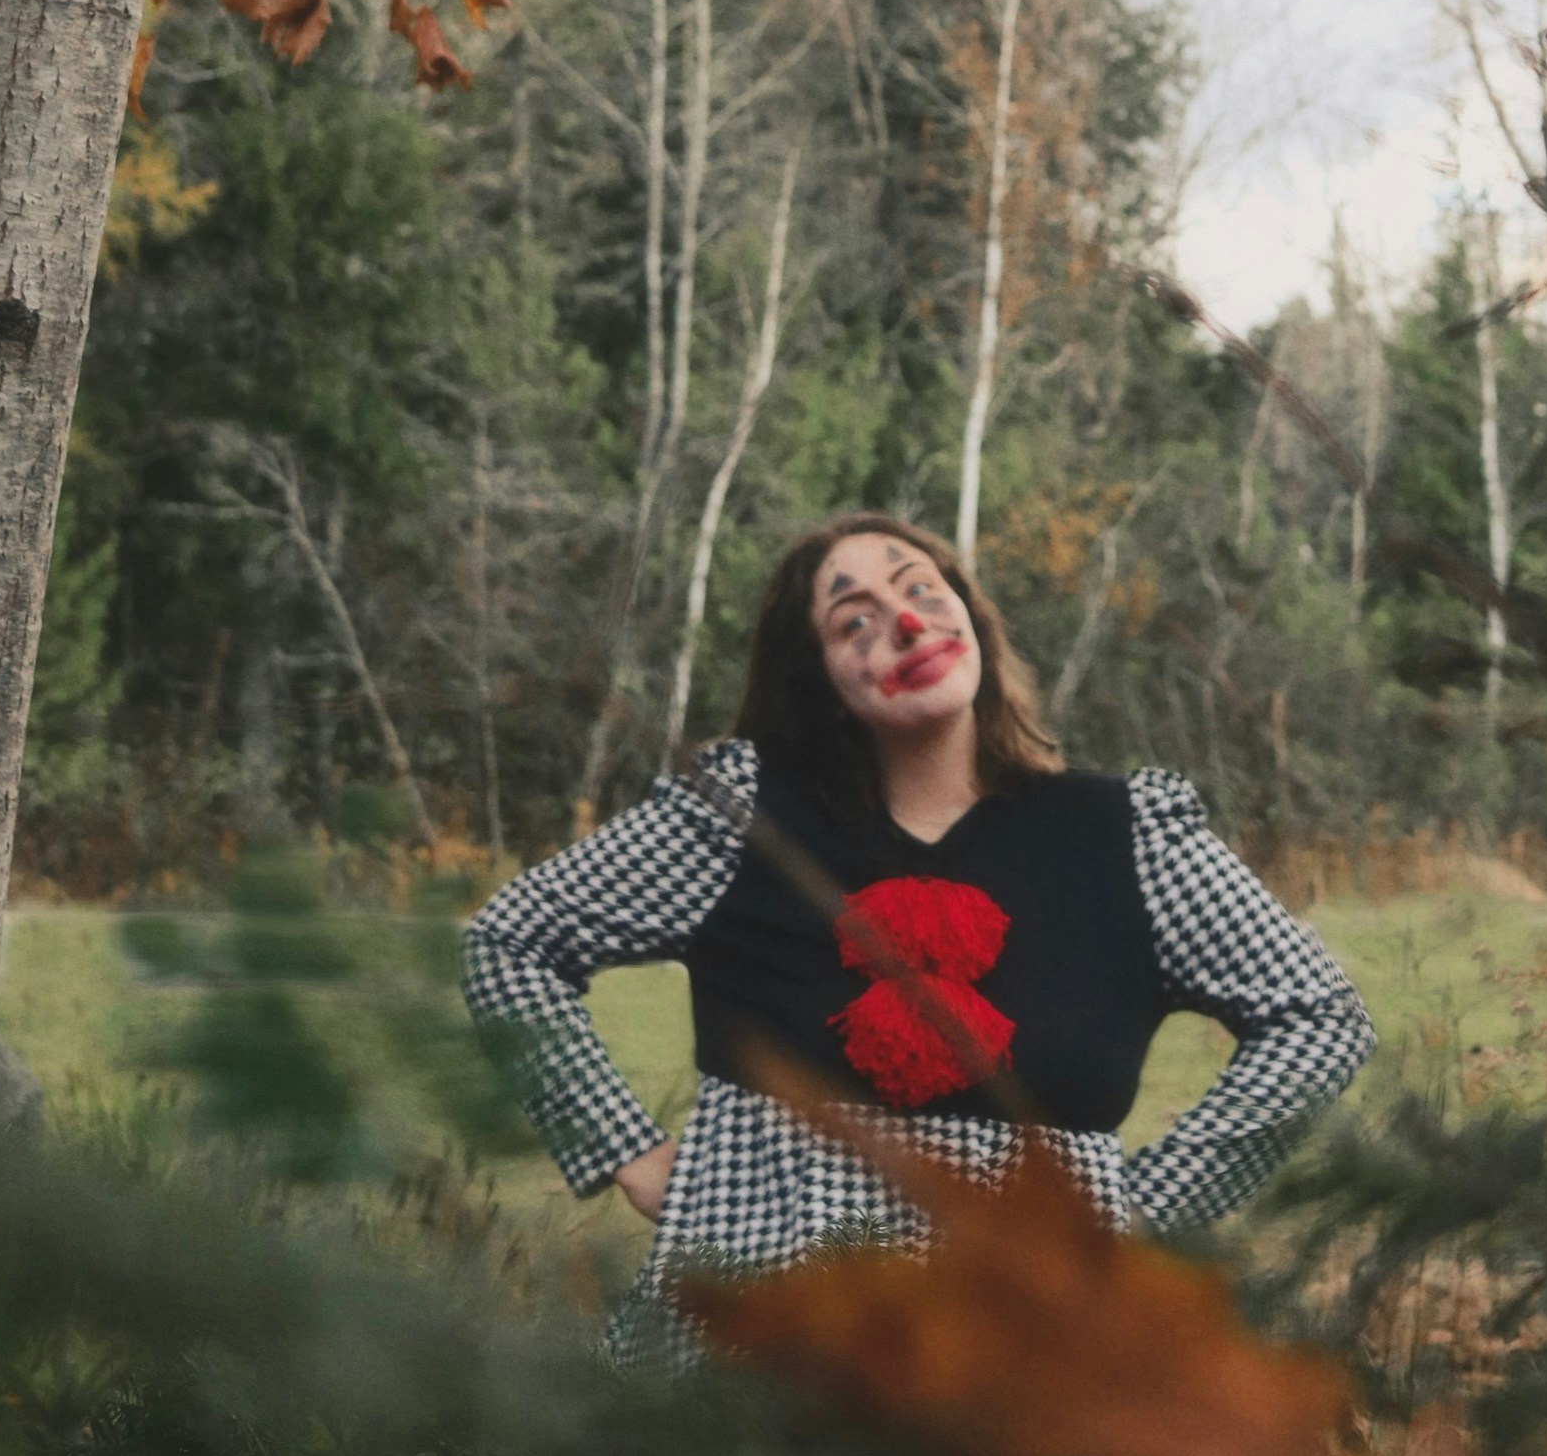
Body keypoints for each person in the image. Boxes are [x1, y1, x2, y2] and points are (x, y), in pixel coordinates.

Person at [462, 511, 1375, 1333]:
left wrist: (1145, 1205)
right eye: (851, 620)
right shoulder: (741, 819)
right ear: (820, 680)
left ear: (969, 619)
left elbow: (1319, 1016)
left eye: (920, 588)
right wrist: (624, 1150)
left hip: (1029, 1349)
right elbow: (508, 942)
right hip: (761, 1349)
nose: (902, 620)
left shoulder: (1126, 836)